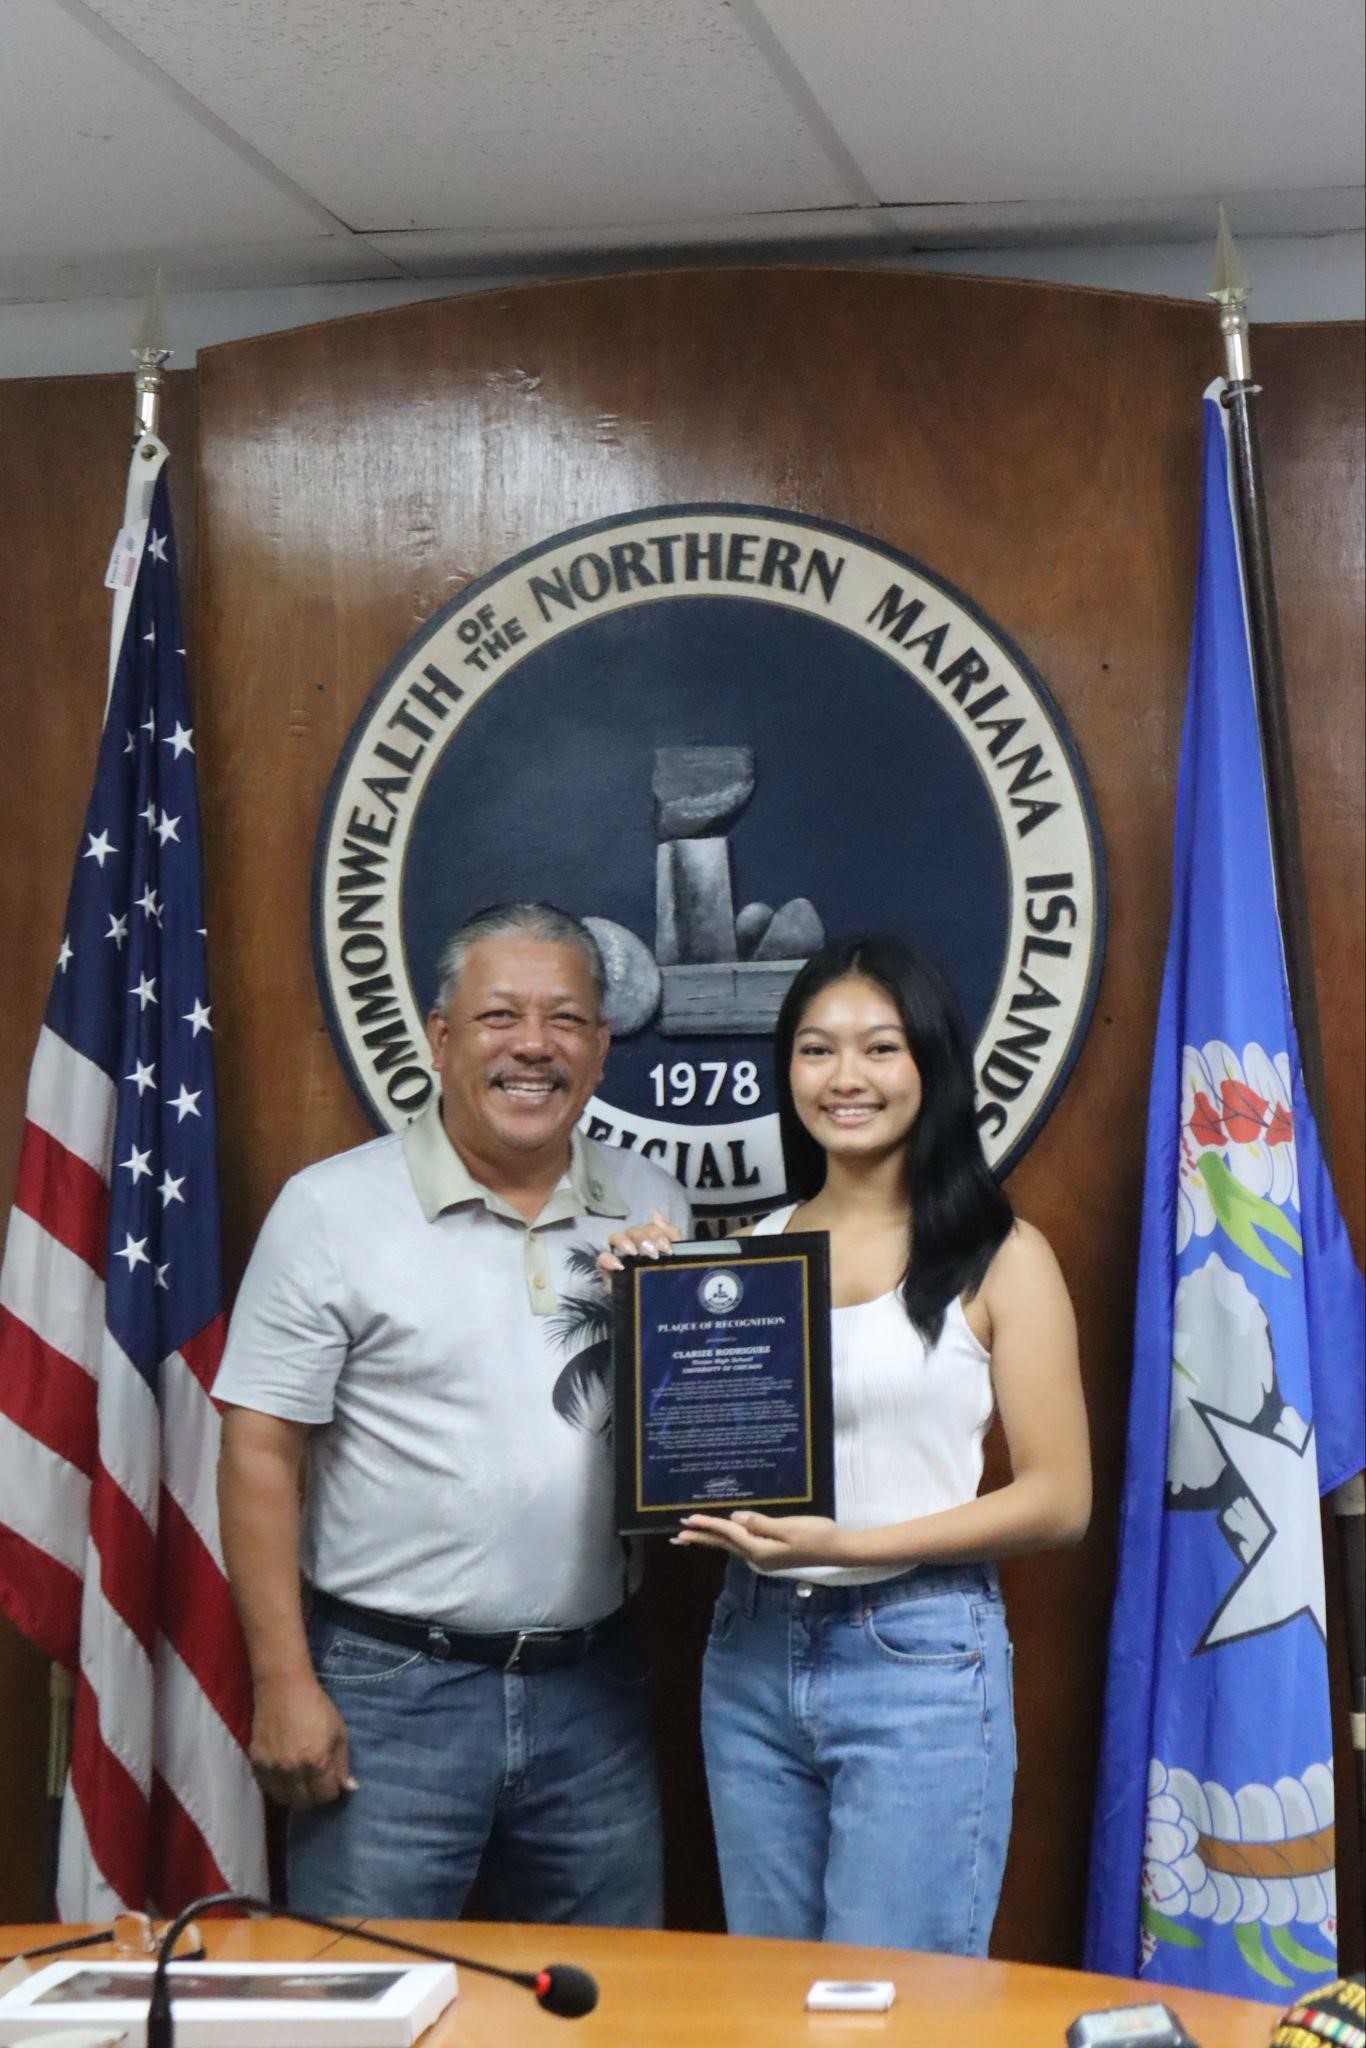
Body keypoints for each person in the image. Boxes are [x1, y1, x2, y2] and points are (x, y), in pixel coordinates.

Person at [601, 936, 1090, 1952]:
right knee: (775, 2002)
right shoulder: (742, 1254)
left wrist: (849, 1544)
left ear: (930, 1066)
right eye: (817, 1049)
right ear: (787, 1070)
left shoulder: (1000, 1253)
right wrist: (644, 1298)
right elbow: (686, 1458)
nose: (847, 1077)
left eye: (879, 1047)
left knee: (898, 2008)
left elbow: (1058, 1500)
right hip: (748, 1650)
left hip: (916, 1648)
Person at [215, 903, 690, 1925]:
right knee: (356, 2007)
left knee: (608, 2014)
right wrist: (283, 1680)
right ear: (440, 1038)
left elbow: (689, 1430)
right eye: (499, 1016)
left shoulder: (654, 1202)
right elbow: (258, 1449)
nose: (533, 1044)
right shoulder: (329, 1209)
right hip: (389, 1691)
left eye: (565, 1018)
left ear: (602, 1047)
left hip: (593, 1685)